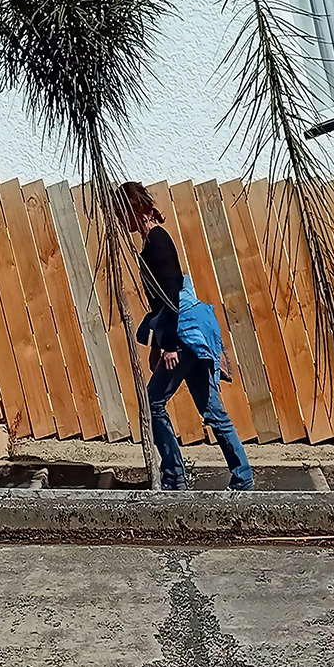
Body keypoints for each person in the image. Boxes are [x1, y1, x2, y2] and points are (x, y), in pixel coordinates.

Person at [121, 181, 253, 492]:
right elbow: (161, 302)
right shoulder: (153, 241)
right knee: (212, 409)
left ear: (137, 209)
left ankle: (174, 478)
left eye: (121, 213)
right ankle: (243, 479)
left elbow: (170, 293)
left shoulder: (157, 242)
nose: (119, 220)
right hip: (189, 332)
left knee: (153, 402)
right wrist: (156, 343)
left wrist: (168, 345)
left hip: (186, 334)